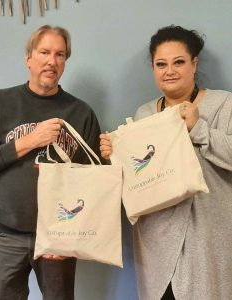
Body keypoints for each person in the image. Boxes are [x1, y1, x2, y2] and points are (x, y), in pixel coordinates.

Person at [0, 25, 102, 300]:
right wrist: (28, 141)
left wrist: (69, 236)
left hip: (58, 238)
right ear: (28, 58)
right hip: (7, 236)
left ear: (65, 61)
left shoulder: (81, 112)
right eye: (44, 52)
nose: (52, 61)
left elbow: (94, 184)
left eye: (60, 54)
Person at [100, 25, 232, 300]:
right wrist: (114, 155)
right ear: (153, 68)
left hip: (207, 238)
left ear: (194, 64)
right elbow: (136, 177)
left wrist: (200, 128)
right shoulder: (145, 113)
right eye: (161, 64)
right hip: (156, 241)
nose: (169, 70)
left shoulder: (223, 104)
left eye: (179, 62)